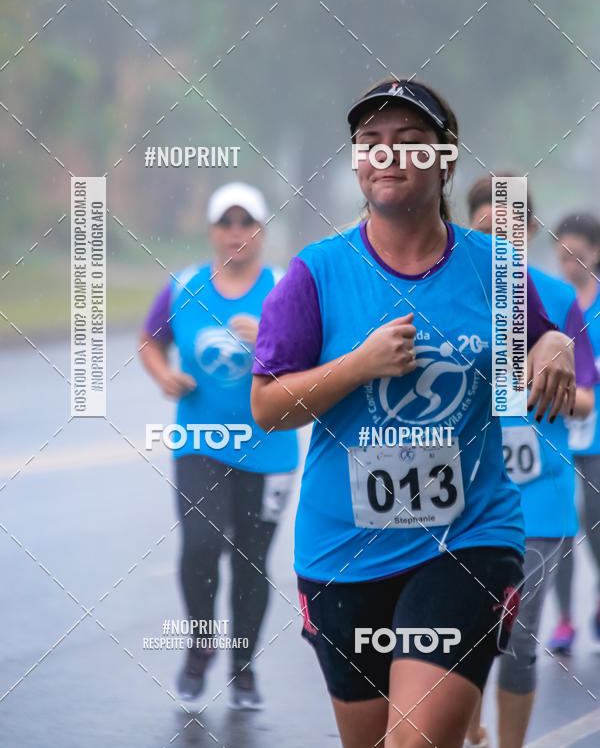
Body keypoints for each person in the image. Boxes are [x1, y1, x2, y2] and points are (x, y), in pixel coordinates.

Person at [250, 78, 576, 748]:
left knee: (415, 743)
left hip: (468, 538)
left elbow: (537, 333)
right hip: (344, 549)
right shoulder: (313, 274)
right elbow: (268, 408)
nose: (386, 155)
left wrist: (556, 341)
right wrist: (359, 364)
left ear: (445, 160)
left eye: (408, 142)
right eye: (370, 143)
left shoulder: (496, 268)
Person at [139, 182, 299, 710]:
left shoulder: (284, 287)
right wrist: (164, 376)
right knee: (202, 547)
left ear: (261, 231)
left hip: (270, 445)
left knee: (251, 560)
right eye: (225, 223)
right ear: (211, 231)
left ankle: (243, 667)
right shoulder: (184, 285)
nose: (236, 233)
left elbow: (316, 357)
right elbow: (150, 340)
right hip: (199, 441)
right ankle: (201, 644)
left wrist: (271, 336)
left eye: (246, 222)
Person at [464, 178, 596, 748]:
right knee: (461, 635)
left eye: (512, 230)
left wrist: (543, 384)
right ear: (465, 228)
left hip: (536, 497)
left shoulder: (558, 299)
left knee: (517, 639)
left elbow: (588, 395)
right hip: (459, 495)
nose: (501, 240)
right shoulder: (444, 294)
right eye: (488, 229)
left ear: (529, 234)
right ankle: (461, 722)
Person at [548, 213, 600, 654]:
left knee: (595, 520)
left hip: (597, 431)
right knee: (562, 522)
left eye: (577, 255)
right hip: (559, 426)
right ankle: (564, 618)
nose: (568, 264)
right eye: (562, 255)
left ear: (596, 253)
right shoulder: (552, 301)